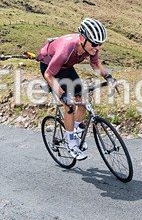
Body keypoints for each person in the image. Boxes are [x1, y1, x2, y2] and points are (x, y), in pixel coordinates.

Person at [37, 18, 115, 159]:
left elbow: (95, 64)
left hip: (66, 67)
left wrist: (108, 76)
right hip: (50, 66)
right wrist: (62, 94)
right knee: (70, 105)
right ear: (81, 39)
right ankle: (70, 143)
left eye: (100, 45)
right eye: (95, 44)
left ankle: (77, 133)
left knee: (83, 101)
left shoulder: (90, 46)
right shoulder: (66, 49)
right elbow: (48, 74)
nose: (97, 48)